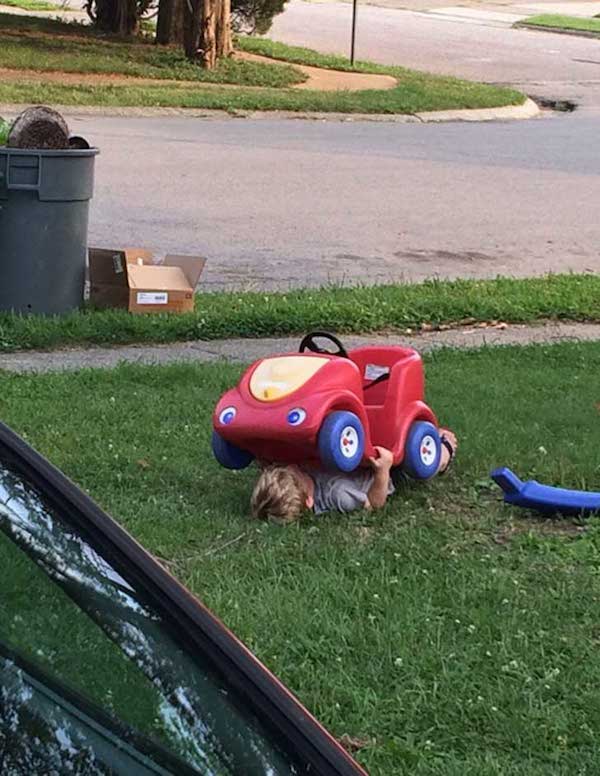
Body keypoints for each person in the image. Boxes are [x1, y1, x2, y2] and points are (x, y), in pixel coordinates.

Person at [251, 430, 457, 524]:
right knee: (422, 463)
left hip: (358, 453)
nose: (291, 465)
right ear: (309, 500)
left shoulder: (294, 477)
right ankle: (447, 449)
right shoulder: (338, 494)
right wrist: (383, 470)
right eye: (294, 471)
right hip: (384, 472)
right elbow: (374, 503)